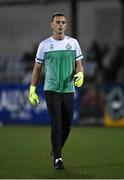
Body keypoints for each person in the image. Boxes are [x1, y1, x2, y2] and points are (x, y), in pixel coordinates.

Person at [29, 13, 84, 170]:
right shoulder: (44, 45)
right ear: (51, 25)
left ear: (66, 26)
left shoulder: (73, 43)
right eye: (57, 22)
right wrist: (32, 89)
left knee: (67, 126)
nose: (60, 24)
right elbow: (37, 68)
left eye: (63, 22)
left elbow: (79, 63)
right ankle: (58, 158)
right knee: (57, 126)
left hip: (68, 89)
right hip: (51, 89)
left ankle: (55, 150)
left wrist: (80, 73)